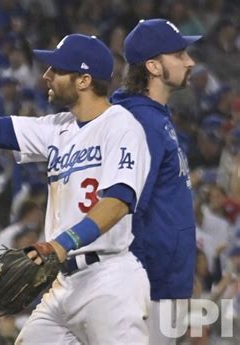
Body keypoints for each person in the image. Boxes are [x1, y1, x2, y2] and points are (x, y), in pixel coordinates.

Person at [0, 7, 151, 344]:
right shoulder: (56, 128)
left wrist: (60, 244)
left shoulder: (122, 126)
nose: (47, 75)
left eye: (58, 69)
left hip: (109, 281)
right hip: (61, 283)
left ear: (83, 80)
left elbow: (118, 202)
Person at [110, 18, 202, 344]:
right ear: (152, 65)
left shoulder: (152, 114)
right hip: (148, 286)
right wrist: (138, 280)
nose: (189, 62)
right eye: (179, 55)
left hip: (162, 281)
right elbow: (126, 209)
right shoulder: (141, 121)